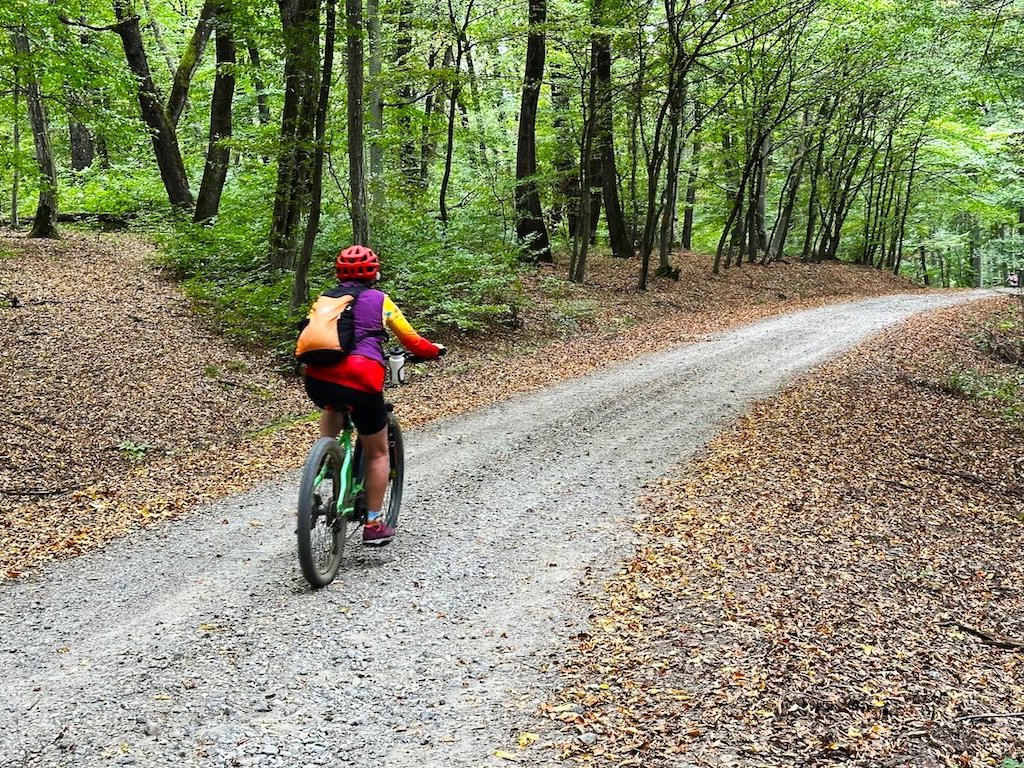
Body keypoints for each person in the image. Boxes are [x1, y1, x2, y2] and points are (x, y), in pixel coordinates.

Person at [302, 245, 445, 545]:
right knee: (378, 452)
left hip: (317, 378)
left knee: (332, 404)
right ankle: (373, 523)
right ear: (374, 274)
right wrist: (434, 351)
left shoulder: (325, 299)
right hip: (361, 377)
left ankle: (325, 458)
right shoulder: (380, 300)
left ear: (338, 274)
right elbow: (412, 340)